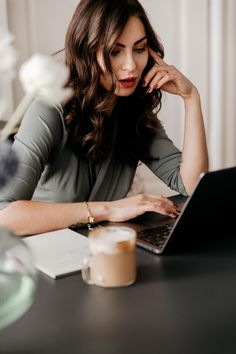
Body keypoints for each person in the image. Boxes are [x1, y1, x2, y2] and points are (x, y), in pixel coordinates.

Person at [0, 0, 208, 236]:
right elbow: (4, 215)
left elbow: (192, 185)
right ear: (86, 51)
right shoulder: (49, 109)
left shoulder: (135, 111)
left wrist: (191, 98)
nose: (130, 65)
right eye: (114, 51)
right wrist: (108, 210)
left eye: (139, 49)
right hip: (46, 254)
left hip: (103, 249)